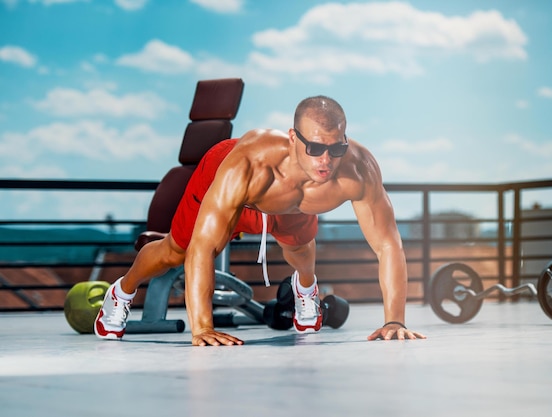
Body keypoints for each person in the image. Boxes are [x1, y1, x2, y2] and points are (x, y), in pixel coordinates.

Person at [94, 95, 427, 346]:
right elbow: (203, 247)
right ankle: (121, 292)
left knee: (299, 245)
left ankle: (306, 290)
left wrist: (394, 320)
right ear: (293, 138)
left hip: (289, 203)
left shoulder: (359, 170)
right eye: (314, 147)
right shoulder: (249, 166)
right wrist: (203, 328)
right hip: (232, 181)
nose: (325, 160)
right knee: (175, 250)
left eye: (334, 149)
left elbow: (387, 244)